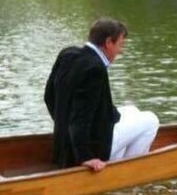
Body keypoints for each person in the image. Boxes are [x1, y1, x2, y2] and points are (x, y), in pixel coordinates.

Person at [44, 18, 159, 172]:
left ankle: (118, 158)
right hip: (91, 149)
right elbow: (80, 118)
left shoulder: (67, 54)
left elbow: (48, 97)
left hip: (63, 144)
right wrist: (85, 156)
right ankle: (127, 171)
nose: (121, 50)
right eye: (120, 44)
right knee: (151, 120)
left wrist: (63, 126)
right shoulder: (95, 69)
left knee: (132, 110)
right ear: (108, 42)